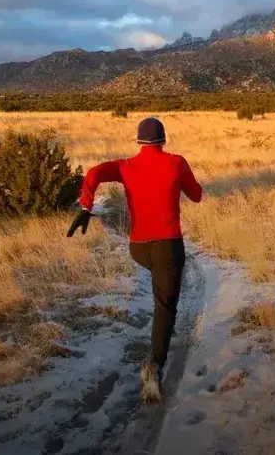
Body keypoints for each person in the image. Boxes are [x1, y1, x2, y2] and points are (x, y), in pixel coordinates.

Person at [67, 117, 202, 402]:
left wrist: (85, 206)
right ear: (163, 139)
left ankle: (158, 342)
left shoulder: (125, 166)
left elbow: (92, 173)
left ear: (139, 141)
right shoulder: (176, 163)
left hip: (138, 247)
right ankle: (155, 365)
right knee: (165, 305)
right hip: (167, 245)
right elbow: (197, 195)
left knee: (161, 290)